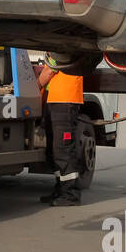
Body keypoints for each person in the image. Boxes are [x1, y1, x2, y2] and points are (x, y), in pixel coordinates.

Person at [36, 60, 91, 206]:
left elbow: (49, 71)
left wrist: (36, 85)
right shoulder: (59, 49)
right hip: (56, 98)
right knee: (53, 150)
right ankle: (61, 190)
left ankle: (71, 194)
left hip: (64, 99)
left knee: (63, 150)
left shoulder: (61, 51)